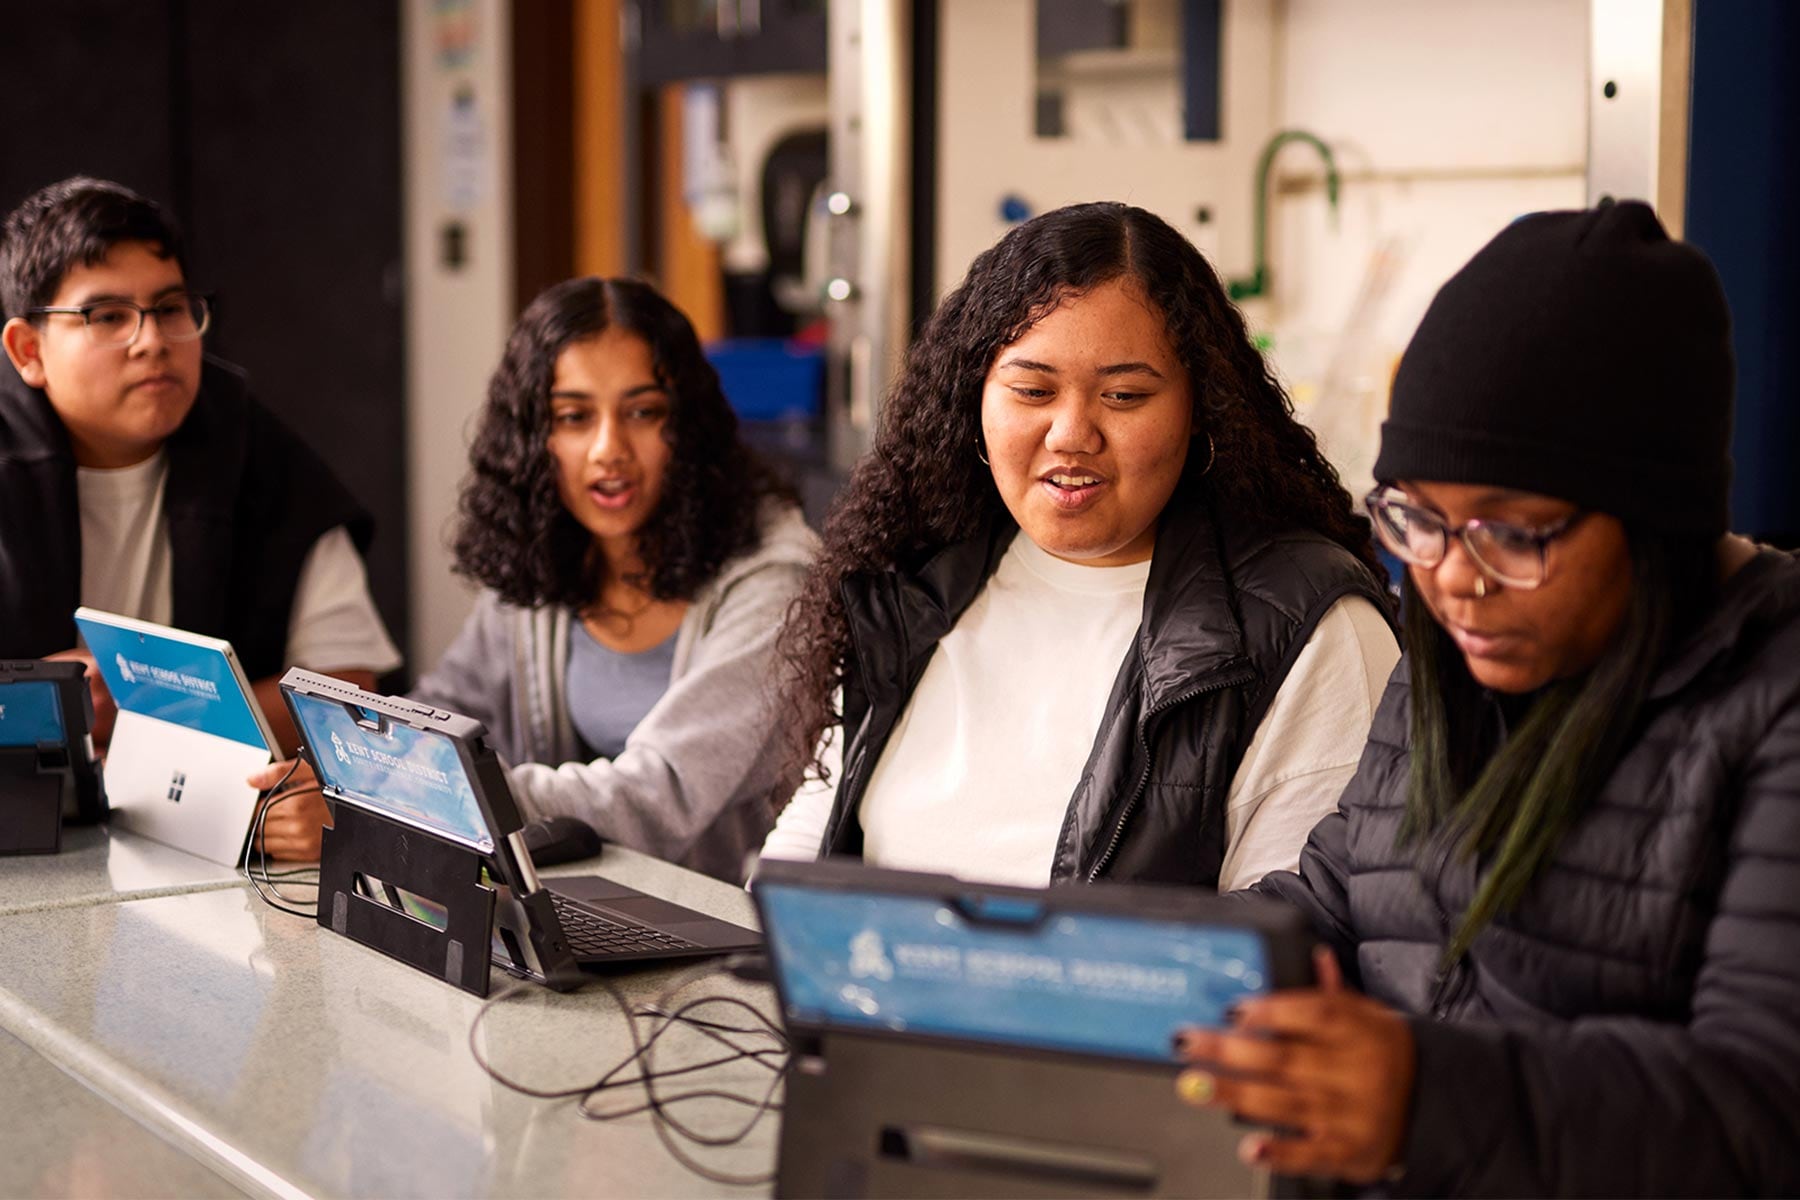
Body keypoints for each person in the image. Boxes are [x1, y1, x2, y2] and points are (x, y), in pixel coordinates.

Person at [1173, 201, 1800, 1194]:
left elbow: (1761, 1112)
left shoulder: (1771, 706)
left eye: (1514, 532)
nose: (1452, 576)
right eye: (1418, 516)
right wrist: (1130, 966)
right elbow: (1339, 901)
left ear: (1657, 521)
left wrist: (1427, 1097)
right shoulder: (1454, 661)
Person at [761, 202, 1398, 889]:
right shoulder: (915, 582)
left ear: (1201, 409)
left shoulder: (1308, 628)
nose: (1071, 433)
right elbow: (808, 846)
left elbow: (1288, 947)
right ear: (973, 400)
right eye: (1032, 390)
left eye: (1123, 396)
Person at [253, 277, 816, 876]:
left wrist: (408, 797)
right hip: (582, 908)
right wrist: (352, 773)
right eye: (574, 417)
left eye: (643, 412)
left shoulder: (775, 582)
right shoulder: (548, 550)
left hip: (729, 934)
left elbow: (663, 793)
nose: (608, 448)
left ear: (690, 428)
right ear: (533, 437)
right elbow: (445, 709)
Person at [0, 176, 400, 759]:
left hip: (216, 829)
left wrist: (146, 709)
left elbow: (350, 692)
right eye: (108, 316)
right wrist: (38, 705)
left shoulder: (257, 453)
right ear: (28, 352)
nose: (152, 341)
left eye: (169, 308)